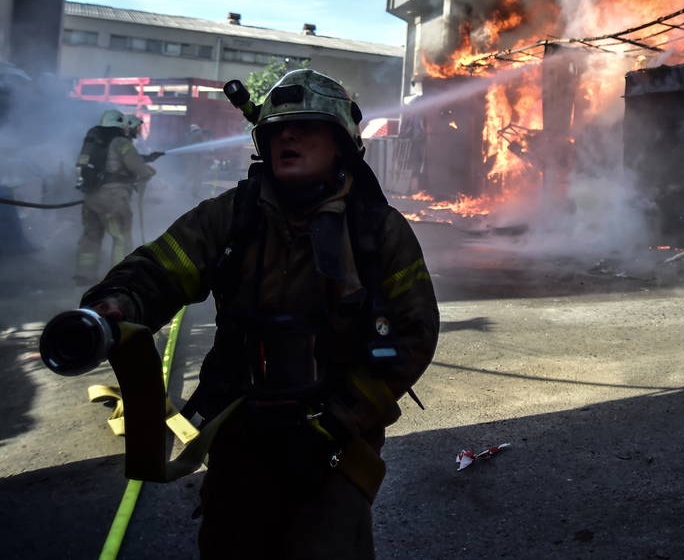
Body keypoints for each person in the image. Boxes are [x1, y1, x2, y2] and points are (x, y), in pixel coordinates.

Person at [79, 70, 439, 558]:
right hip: (240, 432)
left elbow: (414, 334)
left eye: (306, 126)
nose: (286, 136)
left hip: (332, 446)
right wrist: (116, 303)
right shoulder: (232, 215)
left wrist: (336, 418)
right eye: (275, 130)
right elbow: (161, 269)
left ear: (341, 144)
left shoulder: (379, 231)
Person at [74, 109, 157, 284]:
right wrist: (146, 172)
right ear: (120, 123)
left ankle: (84, 274)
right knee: (121, 237)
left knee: (91, 235)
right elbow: (137, 167)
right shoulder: (120, 141)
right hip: (113, 198)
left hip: (91, 196)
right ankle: (119, 279)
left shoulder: (94, 140)